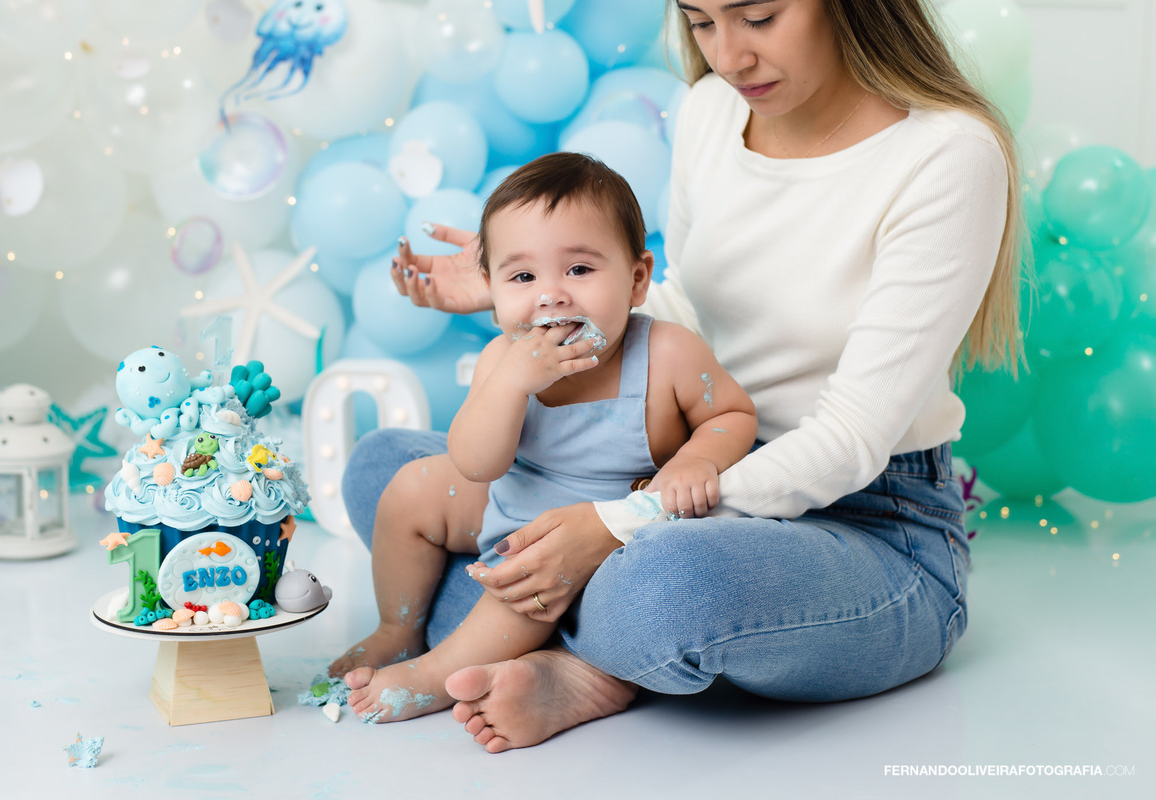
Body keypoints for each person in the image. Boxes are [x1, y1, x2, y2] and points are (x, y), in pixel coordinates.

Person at [342, 0, 1024, 753]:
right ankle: (577, 641)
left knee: (669, 591)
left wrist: (620, 527)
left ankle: (585, 660)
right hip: (662, 478)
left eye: (757, 18)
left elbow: (851, 441)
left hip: (862, 520)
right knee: (386, 471)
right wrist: (540, 294)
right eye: (701, 23)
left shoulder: (947, 155)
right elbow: (687, 314)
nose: (729, 57)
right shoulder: (712, 109)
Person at [330, 152, 758, 724]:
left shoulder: (667, 354)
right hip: (509, 502)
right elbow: (476, 464)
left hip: (591, 541)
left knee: (522, 594)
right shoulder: (500, 359)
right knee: (411, 486)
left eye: (579, 270)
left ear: (637, 279)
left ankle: (435, 676)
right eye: (523, 277)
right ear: (491, 287)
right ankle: (398, 626)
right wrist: (510, 384)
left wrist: (698, 458)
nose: (551, 295)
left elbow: (732, 413)